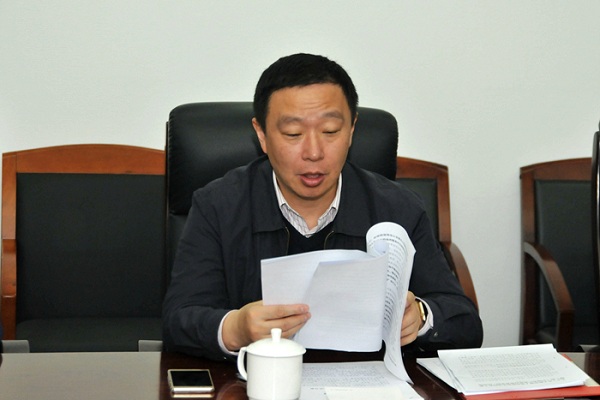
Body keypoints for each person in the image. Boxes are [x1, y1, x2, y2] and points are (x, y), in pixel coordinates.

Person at [162, 53, 483, 360]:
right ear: (262, 135)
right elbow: (179, 319)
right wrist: (235, 329)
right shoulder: (218, 206)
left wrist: (421, 317)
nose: (314, 152)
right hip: (258, 383)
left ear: (352, 130)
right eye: (293, 133)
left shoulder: (398, 208)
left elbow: (465, 322)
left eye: (330, 131)